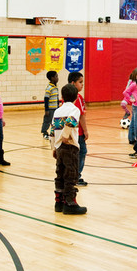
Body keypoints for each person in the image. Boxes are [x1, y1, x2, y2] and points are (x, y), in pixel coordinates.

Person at [52, 83, 87, 215]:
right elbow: (71, 121)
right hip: (70, 146)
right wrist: (66, 135)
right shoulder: (74, 109)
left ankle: (59, 202)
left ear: (62, 96)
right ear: (76, 97)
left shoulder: (58, 110)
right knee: (70, 175)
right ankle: (70, 203)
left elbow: (53, 129)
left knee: (60, 174)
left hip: (59, 147)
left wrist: (54, 147)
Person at [68, 72, 89, 186]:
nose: (82, 85)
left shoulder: (65, 98)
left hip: (70, 133)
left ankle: (72, 176)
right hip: (78, 132)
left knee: (73, 155)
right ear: (73, 83)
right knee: (82, 153)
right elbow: (81, 115)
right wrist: (85, 131)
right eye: (80, 82)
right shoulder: (78, 97)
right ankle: (76, 176)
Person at [123, 67, 137, 144]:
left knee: (133, 122)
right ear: (135, 75)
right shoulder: (134, 84)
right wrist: (130, 99)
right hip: (136, 106)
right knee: (136, 123)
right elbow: (125, 92)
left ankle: (131, 139)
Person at [40, 70, 59, 139]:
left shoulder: (55, 87)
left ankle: (53, 132)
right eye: (56, 76)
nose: (57, 78)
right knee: (47, 121)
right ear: (52, 78)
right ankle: (44, 132)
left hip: (55, 108)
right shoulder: (49, 88)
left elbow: (56, 98)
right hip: (50, 108)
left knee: (54, 121)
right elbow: (46, 99)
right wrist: (46, 110)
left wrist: (58, 106)